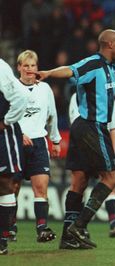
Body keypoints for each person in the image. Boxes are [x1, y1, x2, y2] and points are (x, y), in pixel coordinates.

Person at [34, 29, 115, 249]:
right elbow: (70, 70)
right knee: (112, 178)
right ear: (109, 45)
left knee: (80, 181)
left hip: (85, 128)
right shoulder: (93, 64)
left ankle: (67, 237)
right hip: (91, 126)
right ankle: (79, 226)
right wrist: (48, 73)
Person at [9, 50, 61, 243]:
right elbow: (4, 117)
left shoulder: (45, 89)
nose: (30, 70)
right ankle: (9, 226)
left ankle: (42, 228)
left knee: (41, 187)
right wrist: (18, 134)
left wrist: (55, 140)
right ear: (19, 68)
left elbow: (52, 115)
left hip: (39, 142)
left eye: (33, 66)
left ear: (37, 68)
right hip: (15, 143)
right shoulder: (11, 89)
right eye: (26, 66)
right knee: (12, 187)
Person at [69, 92, 115, 237]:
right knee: (81, 184)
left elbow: (113, 127)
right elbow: (76, 123)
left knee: (110, 181)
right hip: (85, 144)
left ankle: (112, 224)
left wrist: (112, 153)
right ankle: (79, 226)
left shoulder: (109, 97)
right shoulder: (77, 97)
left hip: (103, 144)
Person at [0, 58, 28, 255]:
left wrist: (6, 122)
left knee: (4, 183)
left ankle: (2, 238)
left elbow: (21, 97)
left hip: (2, 134)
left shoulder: (0, 68)